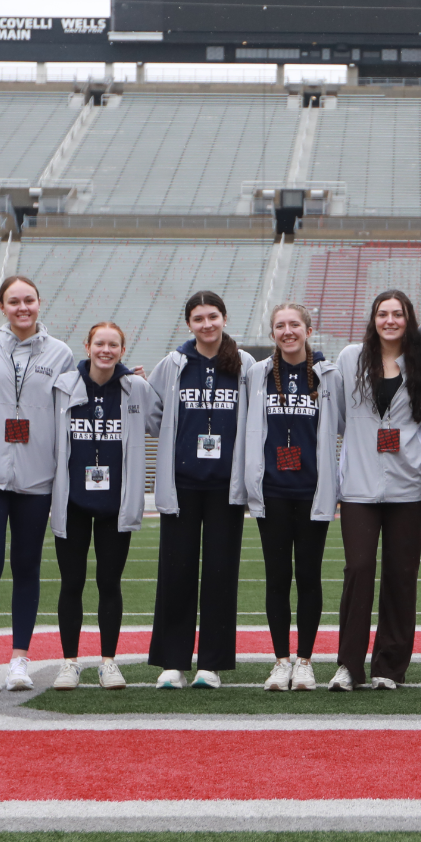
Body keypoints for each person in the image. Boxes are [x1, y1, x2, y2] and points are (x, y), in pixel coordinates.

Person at [0, 275, 76, 692]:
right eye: (14, 301)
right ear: (1, 307)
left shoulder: (60, 352)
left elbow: (77, 395)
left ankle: (20, 660)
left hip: (36, 477)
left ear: (39, 302)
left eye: (29, 300)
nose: (22, 307)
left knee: (27, 566)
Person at [146, 291, 253, 688]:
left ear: (224, 318)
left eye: (213, 316)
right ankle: (172, 663)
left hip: (226, 486)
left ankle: (211, 664)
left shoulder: (245, 363)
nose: (206, 324)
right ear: (188, 323)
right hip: (182, 484)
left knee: (220, 574)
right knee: (176, 573)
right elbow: (152, 412)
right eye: (198, 318)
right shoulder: (173, 363)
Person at [328, 291, 421, 690]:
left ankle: (389, 667)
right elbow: (338, 416)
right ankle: (349, 665)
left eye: (397, 314)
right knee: (358, 569)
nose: (390, 320)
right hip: (359, 484)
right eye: (382, 314)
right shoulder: (350, 358)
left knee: (401, 575)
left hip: (407, 483)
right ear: (373, 319)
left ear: (408, 319)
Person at [50, 321, 158, 690]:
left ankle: (108, 662)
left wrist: (151, 386)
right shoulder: (64, 385)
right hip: (72, 501)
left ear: (122, 350)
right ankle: (69, 662)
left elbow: (160, 422)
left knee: (109, 583)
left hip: (116, 503)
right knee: (72, 583)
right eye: (100, 343)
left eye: (113, 345)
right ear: (87, 346)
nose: (106, 350)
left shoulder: (136, 387)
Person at [241, 302, 336, 692]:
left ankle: (305, 661)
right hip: (273, 491)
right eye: (280, 325)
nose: (287, 331)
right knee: (278, 578)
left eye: (294, 324)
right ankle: (281, 661)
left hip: (313, 491)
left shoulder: (327, 375)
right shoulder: (258, 374)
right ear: (272, 333)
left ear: (308, 331)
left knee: (309, 577)